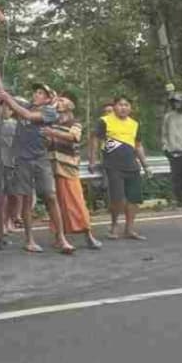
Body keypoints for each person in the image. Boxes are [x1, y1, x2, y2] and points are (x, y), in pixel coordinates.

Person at [0, 83, 75, 254]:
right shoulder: (25, 104)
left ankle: (61, 238)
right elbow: (2, 92)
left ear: (48, 99)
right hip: (22, 159)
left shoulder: (50, 112)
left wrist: (7, 98)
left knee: (50, 196)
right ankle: (29, 240)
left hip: (40, 159)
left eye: (41, 93)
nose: (36, 94)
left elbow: (27, 115)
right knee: (25, 198)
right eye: (36, 92)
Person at [88, 95, 152, 241]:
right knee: (117, 199)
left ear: (130, 108)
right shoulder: (104, 121)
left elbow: (138, 145)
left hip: (132, 165)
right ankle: (114, 226)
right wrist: (92, 160)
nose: (123, 108)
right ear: (114, 106)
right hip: (113, 165)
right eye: (120, 105)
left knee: (134, 199)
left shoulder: (134, 124)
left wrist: (146, 165)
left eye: (126, 105)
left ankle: (129, 229)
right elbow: (95, 140)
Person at [45, 94, 101, 250]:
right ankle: (59, 237)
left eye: (63, 100)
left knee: (76, 202)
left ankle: (88, 235)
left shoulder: (74, 123)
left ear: (71, 105)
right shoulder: (52, 122)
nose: (59, 102)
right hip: (54, 167)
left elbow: (73, 136)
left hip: (69, 168)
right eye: (59, 100)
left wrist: (52, 133)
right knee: (57, 204)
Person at [0, 101, 20, 247]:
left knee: (14, 195)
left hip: (13, 163)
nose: (3, 109)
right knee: (1, 196)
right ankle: (2, 223)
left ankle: (10, 220)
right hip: (0, 163)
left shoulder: (15, 124)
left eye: (7, 108)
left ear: (11, 111)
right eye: (1, 106)